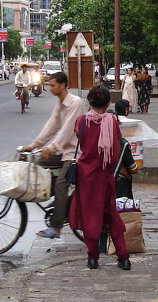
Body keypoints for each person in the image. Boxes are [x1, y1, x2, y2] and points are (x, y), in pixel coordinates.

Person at [69, 85, 131, 270]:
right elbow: (116, 149)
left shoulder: (81, 121)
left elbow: (79, 137)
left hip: (86, 176)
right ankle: (124, 257)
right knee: (111, 215)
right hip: (105, 175)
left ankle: (92, 257)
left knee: (90, 216)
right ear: (108, 102)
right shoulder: (112, 122)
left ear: (89, 101)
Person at [20, 71, 86, 239]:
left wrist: (52, 147)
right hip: (62, 150)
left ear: (63, 85)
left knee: (61, 186)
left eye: (53, 85)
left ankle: (56, 228)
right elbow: (51, 127)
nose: (50, 88)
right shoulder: (60, 103)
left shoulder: (75, 103)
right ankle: (58, 201)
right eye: (49, 85)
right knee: (37, 164)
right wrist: (34, 145)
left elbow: (67, 130)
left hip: (75, 152)